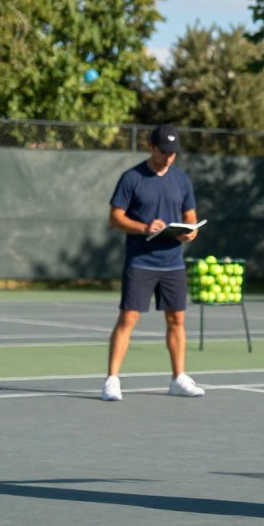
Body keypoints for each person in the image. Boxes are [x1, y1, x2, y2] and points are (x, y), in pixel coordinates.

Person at [101, 124, 205, 401]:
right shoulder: (131, 178)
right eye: (164, 151)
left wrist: (191, 230)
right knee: (128, 318)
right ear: (151, 147)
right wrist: (145, 228)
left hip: (173, 262)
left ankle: (178, 378)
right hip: (141, 261)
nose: (169, 157)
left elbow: (190, 214)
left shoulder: (182, 179)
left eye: (174, 153)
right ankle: (112, 380)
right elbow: (115, 218)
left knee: (177, 319)